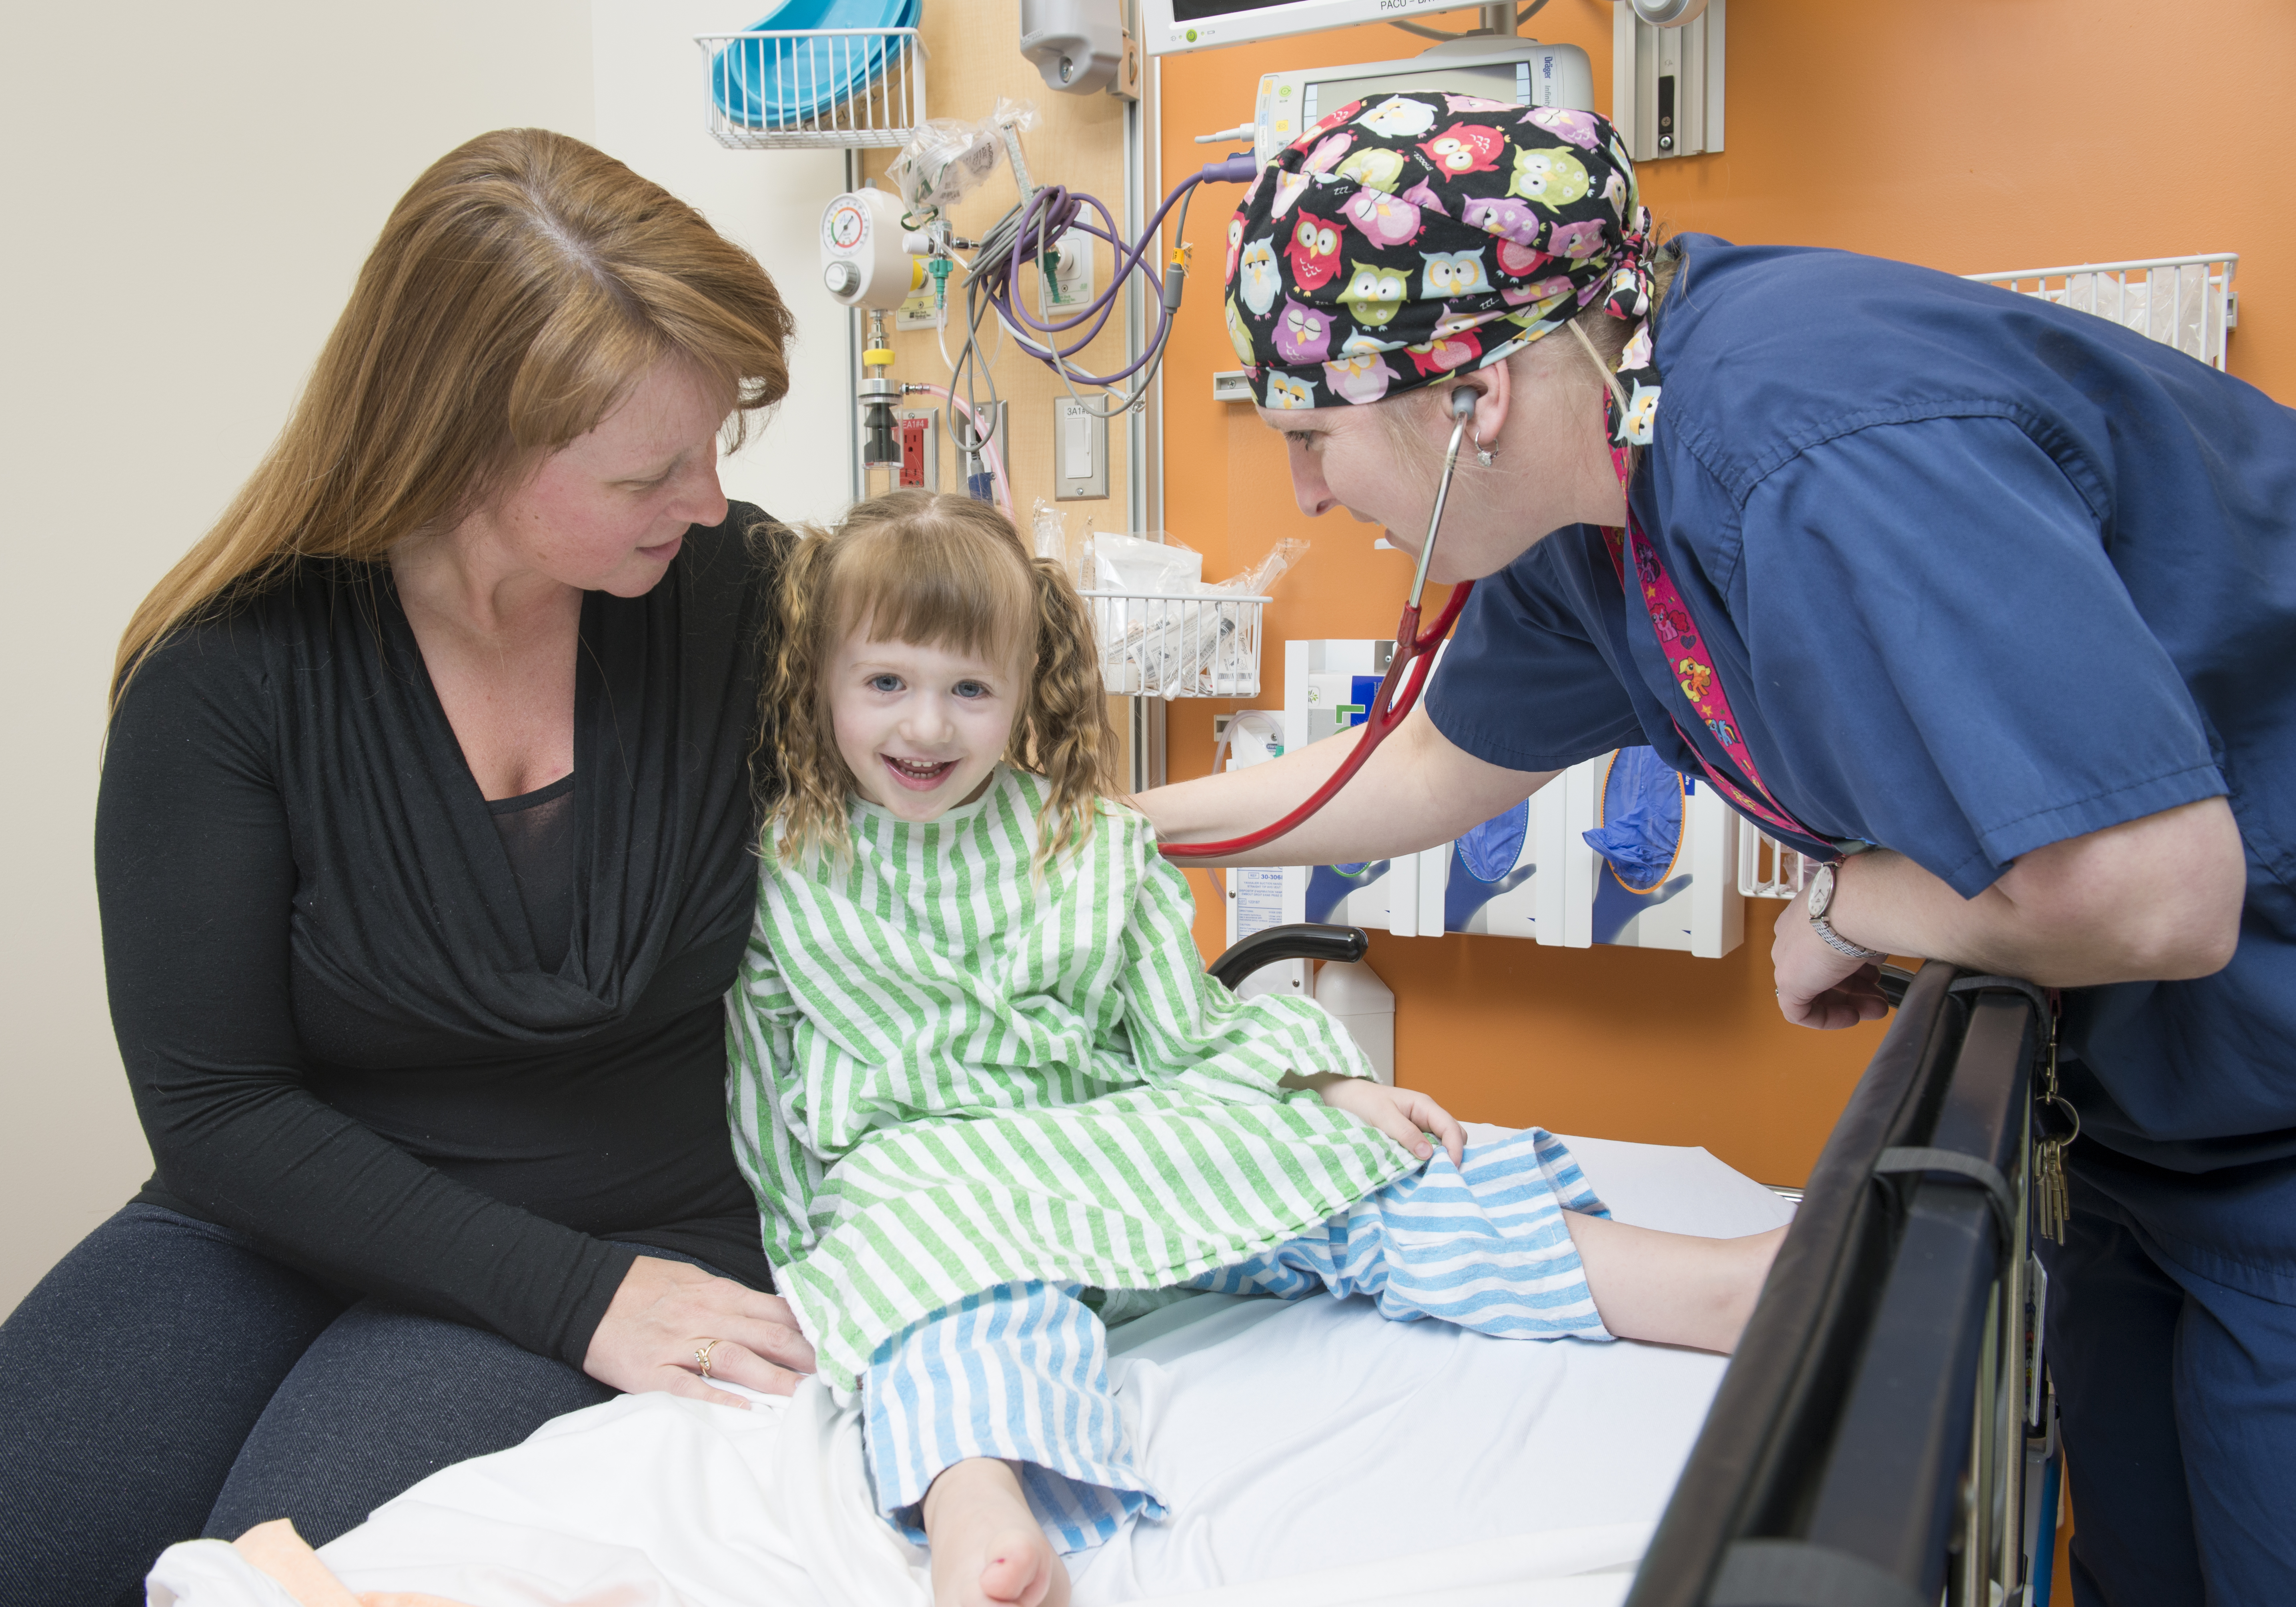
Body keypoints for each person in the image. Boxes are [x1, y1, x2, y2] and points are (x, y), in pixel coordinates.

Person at [1141, 92, 2294, 1605]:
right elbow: (1420, 765)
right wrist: (1104, 829)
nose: (1301, 491)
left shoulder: (1809, 440)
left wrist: (1855, 904)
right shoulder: (1593, 512)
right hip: (2140, 1129)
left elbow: (2157, 894)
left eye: (1311, 436)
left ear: (1468, 398)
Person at [0, 129, 817, 1605]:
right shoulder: (227, 674)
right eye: (653, 469)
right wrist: (576, 1306)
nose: (708, 500)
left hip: (624, 1233)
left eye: (719, 447)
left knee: (280, 1581)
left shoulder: (749, 605)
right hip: (269, 1221)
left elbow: (994, 850)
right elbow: (214, 1108)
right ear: (469, 449)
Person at [727, 488, 1786, 1607]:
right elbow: (765, 1082)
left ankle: (1709, 1289)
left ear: (1023, 689)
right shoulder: (784, 868)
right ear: (824, 678)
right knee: (932, 1284)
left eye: (969, 691)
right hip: (934, 1190)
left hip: (1104, 1162)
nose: (927, 727)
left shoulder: (1085, 848)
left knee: (1359, 1180)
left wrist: (1322, 1087)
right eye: (887, 682)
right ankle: (980, 1515)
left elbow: (1192, 1035)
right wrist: (817, 1267)